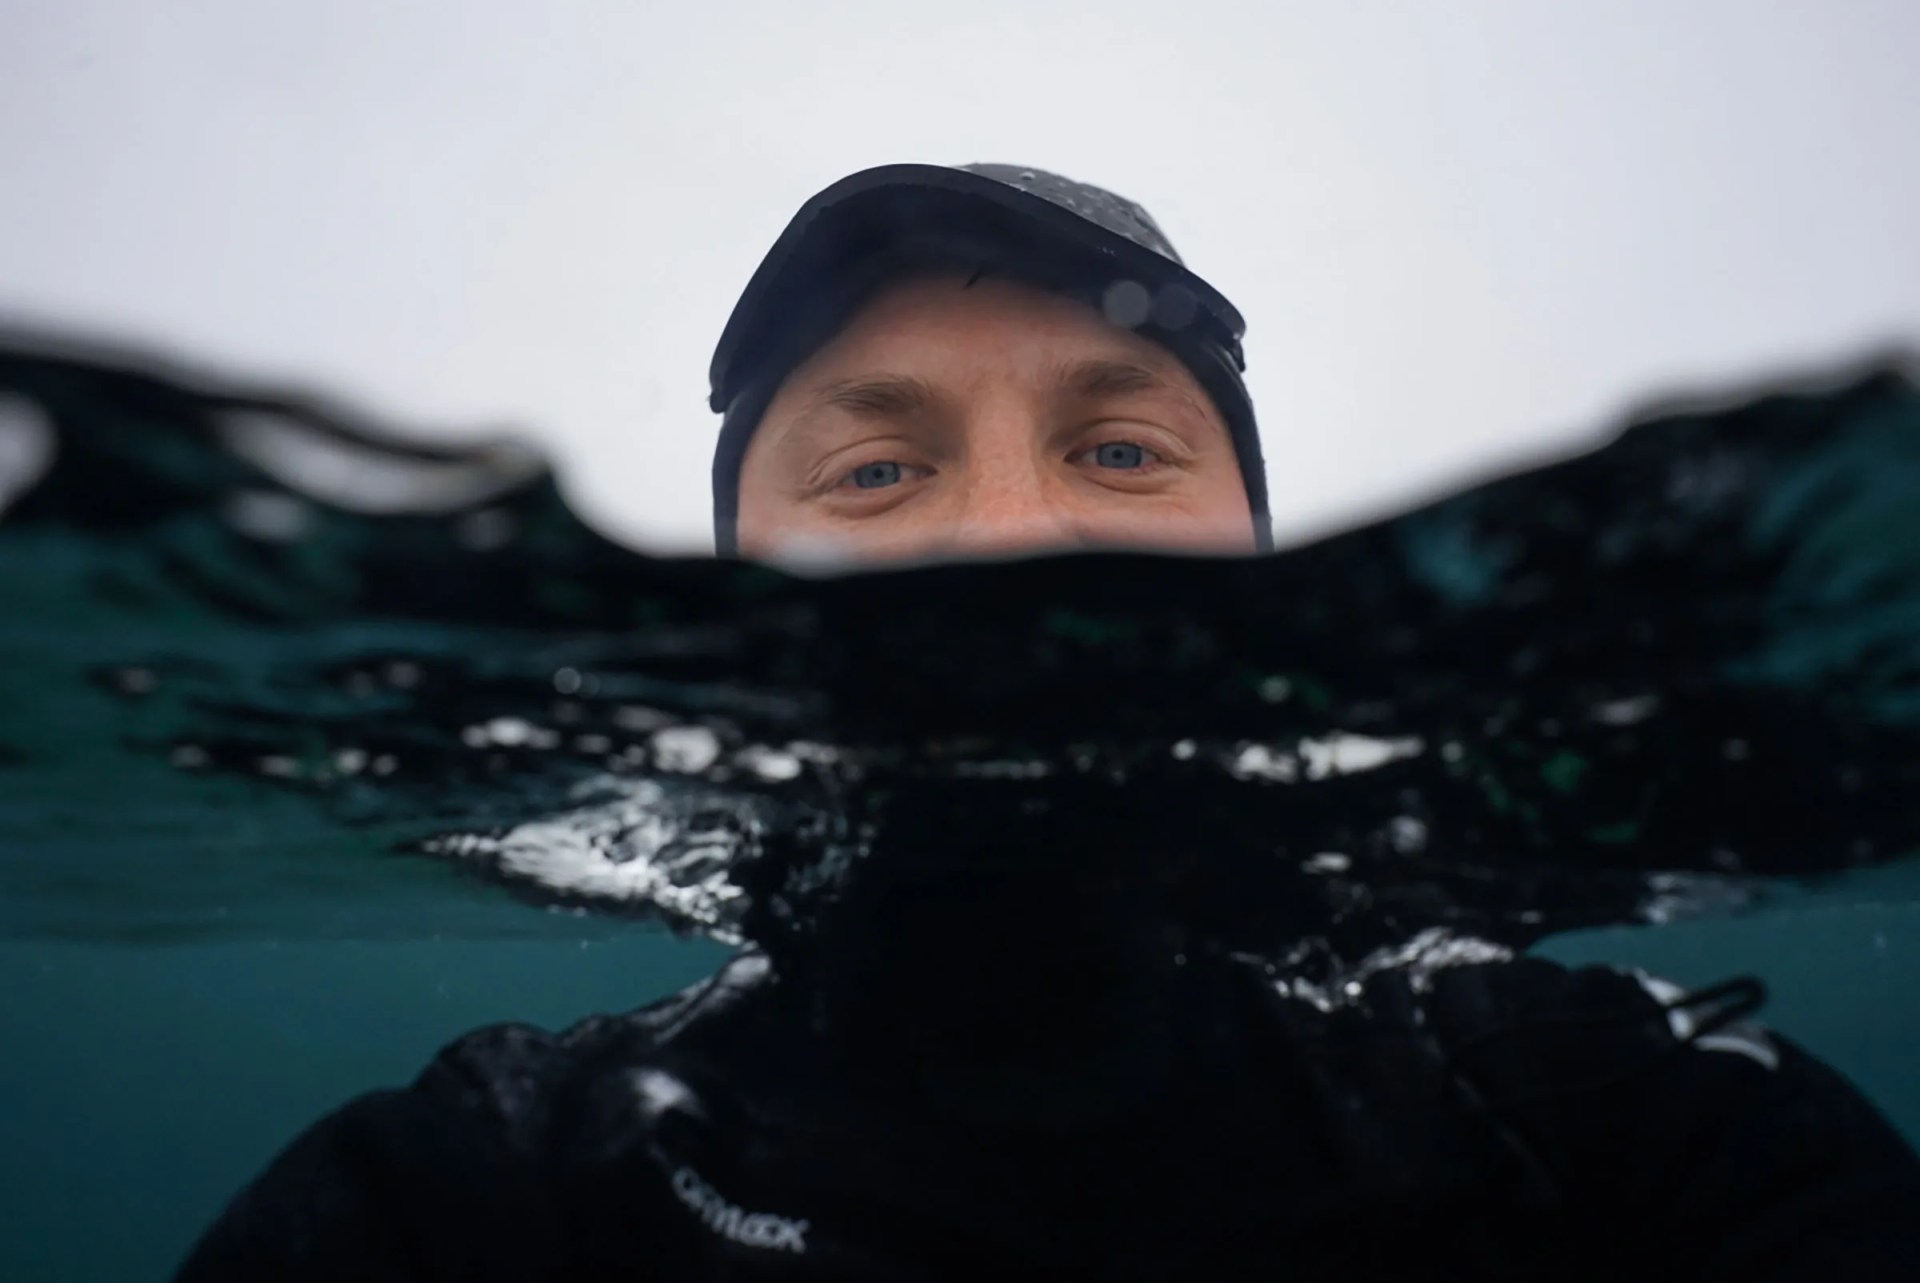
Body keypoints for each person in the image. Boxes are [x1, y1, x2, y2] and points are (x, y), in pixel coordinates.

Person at [175, 164, 1920, 1281]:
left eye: (1118, 449)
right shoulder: (509, 1177)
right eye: (875, 467)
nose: (1014, 540)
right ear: (734, 606)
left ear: (1257, 548)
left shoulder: (1598, 1101)